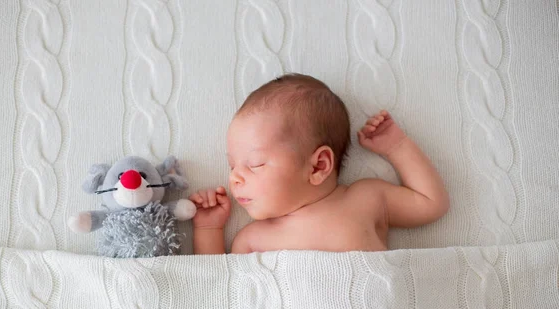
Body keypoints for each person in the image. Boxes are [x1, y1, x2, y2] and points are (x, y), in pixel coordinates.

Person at [189, 73, 449, 254]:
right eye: (232, 165)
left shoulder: (366, 198)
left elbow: (431, 203)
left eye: (255, 164)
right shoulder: (252, 238)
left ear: (318, 166)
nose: (234, 179)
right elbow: (222, 289)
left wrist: (396, 147)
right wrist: (209, 228)